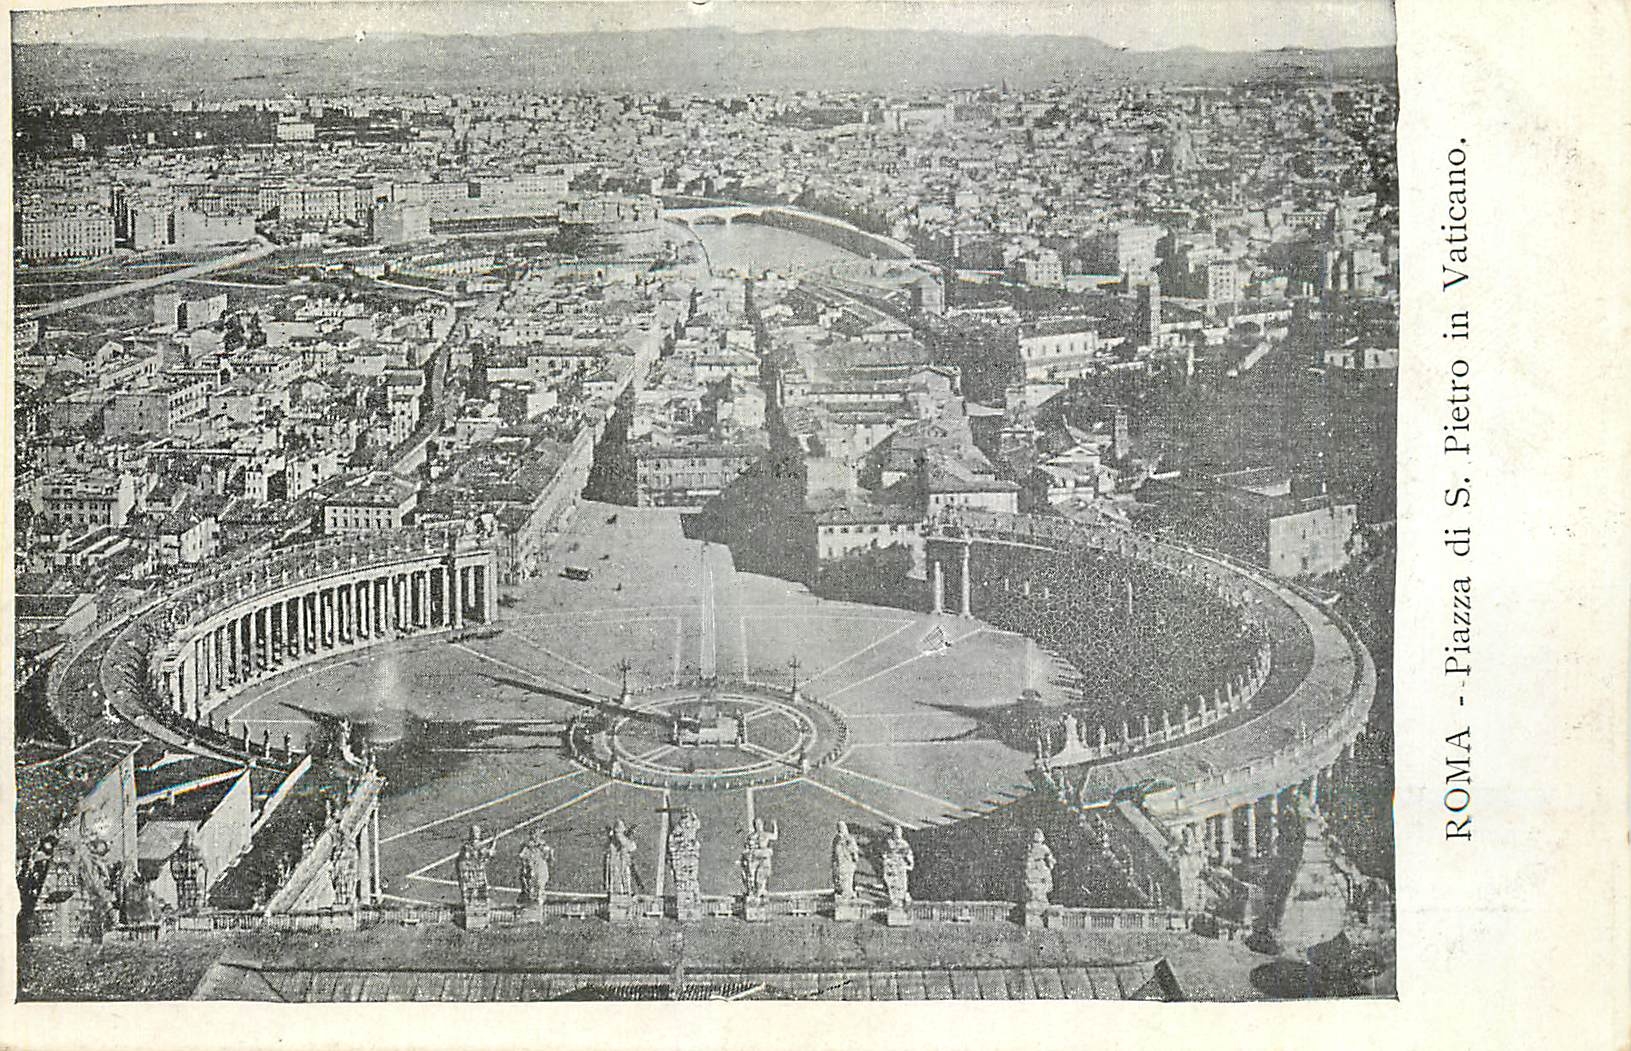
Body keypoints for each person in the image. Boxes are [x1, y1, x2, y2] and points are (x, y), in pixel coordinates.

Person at [831, 821, 861, 900]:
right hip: (839, 862)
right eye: (839, 828)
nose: (840, 830)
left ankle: (848, 892)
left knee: (847, 878)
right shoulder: (837, 839)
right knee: (839, 877)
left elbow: (854, 850)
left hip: (847, 862)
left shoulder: (849, 839)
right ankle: (841, 891)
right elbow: (834, 851)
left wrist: (855, 857)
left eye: (841, 828)